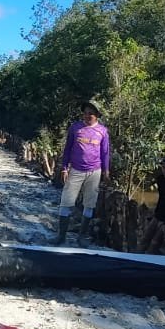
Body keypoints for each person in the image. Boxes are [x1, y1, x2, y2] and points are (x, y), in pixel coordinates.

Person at [55, 100, 111, 247]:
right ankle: (61, 236)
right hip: (75, 170)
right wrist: (64, 168)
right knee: (66, 202)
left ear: (97, 115)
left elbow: (105, 153)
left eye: (90, 113)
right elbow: (68, 148)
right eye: (85, 113)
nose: (87, 116)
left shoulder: (102, 131)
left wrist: (106, 171)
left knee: (89, 205)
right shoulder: (75, 128)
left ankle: (82, 237)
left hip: (95, 171)